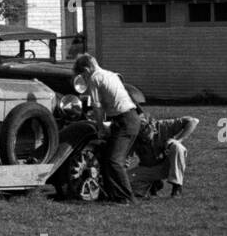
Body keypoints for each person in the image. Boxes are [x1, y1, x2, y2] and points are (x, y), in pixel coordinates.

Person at [72, 53, 139, 204]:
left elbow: (97, 106)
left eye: (83, 75)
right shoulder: (111, 74)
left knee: (114, 160)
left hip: (124, 121)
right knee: (107, 156)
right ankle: (111, 195)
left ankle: (127, 198)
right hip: (130, 118)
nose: (84, 79)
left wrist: (100, 126)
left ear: (86, 69)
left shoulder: (95, 78)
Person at [131, 114, 199, 197]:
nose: (143, 137)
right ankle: (152, 186)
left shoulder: (163, 125)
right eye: (140, 134)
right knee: (124, 182)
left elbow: (193, 121)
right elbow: (124, 158)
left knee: (177, 147)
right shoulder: (132, 136)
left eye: (145, 131)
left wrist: (179, 140)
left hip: (169, 164)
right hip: (148, 168)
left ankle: (177, 187)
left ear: (152, 127)